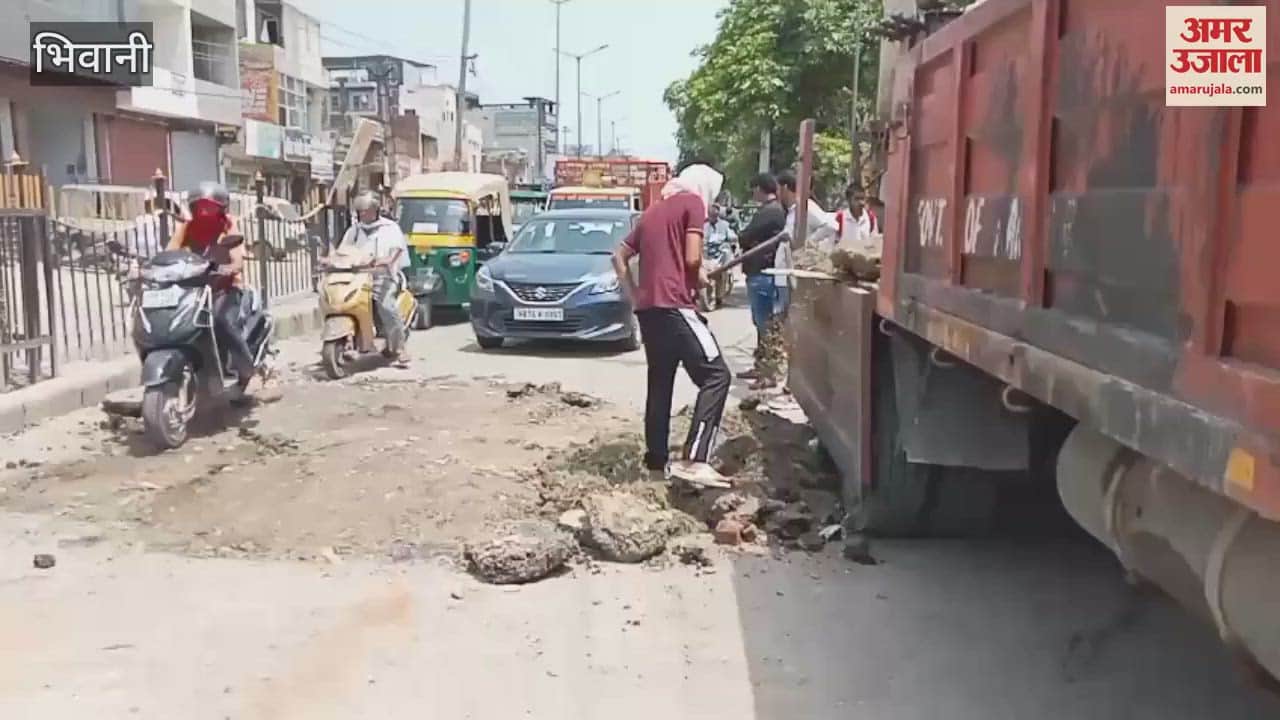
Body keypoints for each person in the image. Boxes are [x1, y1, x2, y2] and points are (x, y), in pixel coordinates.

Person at [612, 163, 732, 489]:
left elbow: (618, 257)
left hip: (649, 311)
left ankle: (655, 463)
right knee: (717, 375)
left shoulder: (652, 213)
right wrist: (700, 275)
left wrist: (634, 295)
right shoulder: (692, 203)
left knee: (660, 383)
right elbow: (693, 259)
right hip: (675, 305)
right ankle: (695, 458)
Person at [166, 182, 254, 385]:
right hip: (194, 288)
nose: (205, 212)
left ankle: (244, 366)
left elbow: (237, 256)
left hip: (225, 287)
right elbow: (169, 252)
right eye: (201, 207)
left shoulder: (227, 224)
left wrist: (231, 267)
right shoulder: (187, 227)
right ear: (193, 207)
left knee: (220, 319)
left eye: (211, 207)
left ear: (221, 208)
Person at [336, 191, 412, 366]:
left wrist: (386, 261)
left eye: (366, 210)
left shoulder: (390, 228)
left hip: (385, 276)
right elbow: (343, 250)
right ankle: (349, 340)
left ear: (375, 210)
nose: (363, 214)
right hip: (358, 277)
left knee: (386, 306)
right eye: (360, 211)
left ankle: (400, 348)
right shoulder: (354, 230)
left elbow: (396, 251)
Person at [735, 173, 788, 381]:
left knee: (765, 324)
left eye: (754, 189)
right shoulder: (771, 211)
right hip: (761, 273)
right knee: (762, 324)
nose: (752, 193)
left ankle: (767, 372)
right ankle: (762, 368)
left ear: (760, 188)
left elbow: (745, 236)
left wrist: (746, 241)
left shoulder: (771, 212)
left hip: (763, 274)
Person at [776, 171, 839, 315]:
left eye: (778, 189)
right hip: (784, 275)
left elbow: (831, 226)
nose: (777, 194)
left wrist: (807, 243)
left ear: (785, 188)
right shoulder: (792, 211)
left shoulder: (806, 207)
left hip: (795, 275)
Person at [835, 184, 879, 253]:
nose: (861, 202)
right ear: (848, 200)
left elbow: (875, 243)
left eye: (862, 198)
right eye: (857, 199)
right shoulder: (840, 218)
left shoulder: (871, 218)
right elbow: (833, 244)